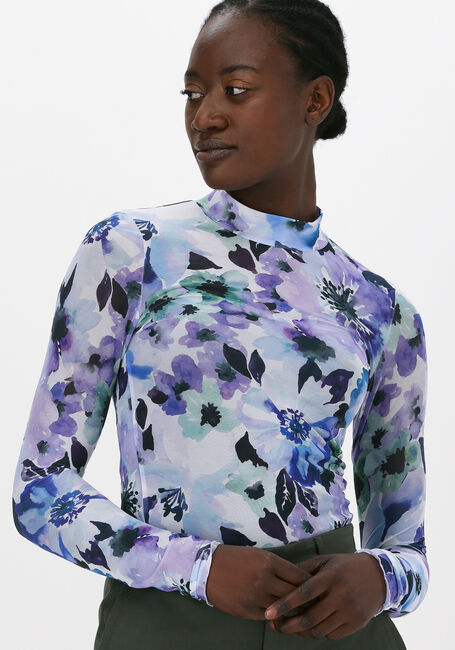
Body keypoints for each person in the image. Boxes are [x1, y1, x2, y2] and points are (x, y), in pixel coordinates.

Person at [12, 1, 428, 648]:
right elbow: (40, 491)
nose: (204, 116)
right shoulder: (129, 251)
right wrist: (197, 567)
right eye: (193, 94)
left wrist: (378, 578)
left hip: (335, 631)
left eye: (235, 90)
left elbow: (408, 550)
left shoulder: (382, 309)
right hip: (166, 620)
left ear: (315, 100)